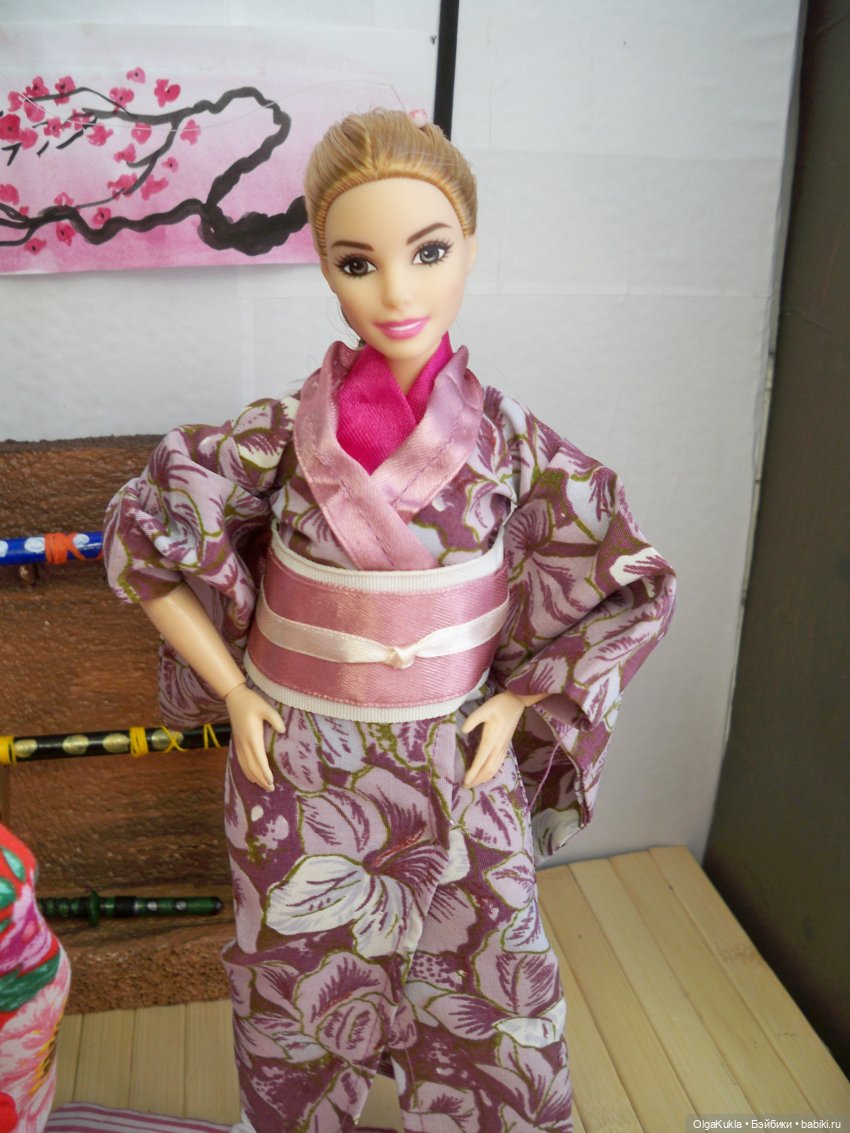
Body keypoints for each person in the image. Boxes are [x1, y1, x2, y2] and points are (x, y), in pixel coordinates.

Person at [104, 109, 676, 1133]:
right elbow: (146, 540)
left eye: (429, 252)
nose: (398, 293)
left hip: (457, 752)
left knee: (494, 991)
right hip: (299, 759)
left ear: (472, 247)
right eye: (358, 262)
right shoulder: (277, 436)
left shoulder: (512, 445)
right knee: (292, 985)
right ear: (325, 267)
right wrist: (233, 689)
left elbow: (628, 578)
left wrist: (522, 698)